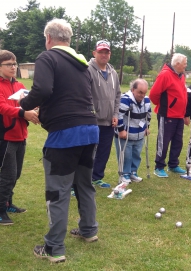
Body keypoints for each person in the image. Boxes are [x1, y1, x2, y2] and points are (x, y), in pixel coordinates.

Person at [19, 19, 99, 263]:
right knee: (84, 184)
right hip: (90, 130)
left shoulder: (48, 57)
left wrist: (22, 105)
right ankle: (88, 230)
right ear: (69, 40)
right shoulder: (83, 64)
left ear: (48, 39)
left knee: (58, 191)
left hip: (66, 134)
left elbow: (42, 90)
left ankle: (53, 248)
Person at [0, 50, 39, 225]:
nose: (13, 67)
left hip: (21, 135)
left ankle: (8, 203)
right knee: (7, 175)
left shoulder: (19, 85)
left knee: (16, 174)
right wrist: (24, 112)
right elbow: (3, 107)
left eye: (14, 64)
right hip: (6, 136)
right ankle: (0, 210)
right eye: (9, 64)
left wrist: (35, 110)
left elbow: (28, 103)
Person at [149, 53, 188, 178]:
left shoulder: (181, 76)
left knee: (178, 141)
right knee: (163, 142)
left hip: (179, 115)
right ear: (177, 64)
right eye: (184, 63)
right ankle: (159, 166)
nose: (185, 66)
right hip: (167, 115)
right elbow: (154, 94)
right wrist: (165, 106)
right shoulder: (165, 74)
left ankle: (173, 164)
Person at [89, 40, 121, 188]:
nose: (103, 54)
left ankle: (97, 177)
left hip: (109, 121)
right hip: (92, 120)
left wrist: (115, 114)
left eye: (106, 52)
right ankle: (83, 180)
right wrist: (92, 113)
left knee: (104, 152)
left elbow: (117, 95)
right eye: (100, 52)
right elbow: (85, 94)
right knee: (88, 152)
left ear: (110, 54)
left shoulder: (113, 72)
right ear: (94, 53)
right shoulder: (88, 70)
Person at [114, 79, 151, 184]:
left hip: (139, 134)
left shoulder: (146, 100)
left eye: (144, 93)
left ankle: (133, 172)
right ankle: (124, 174)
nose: (142, 95)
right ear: (133, 89)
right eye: (140, 92)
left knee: (136, 154)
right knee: (125, 155)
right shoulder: (125, 99)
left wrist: (147, 127)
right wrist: (121, 130)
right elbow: (119, 115)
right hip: (125, 135)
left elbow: (148, 115)